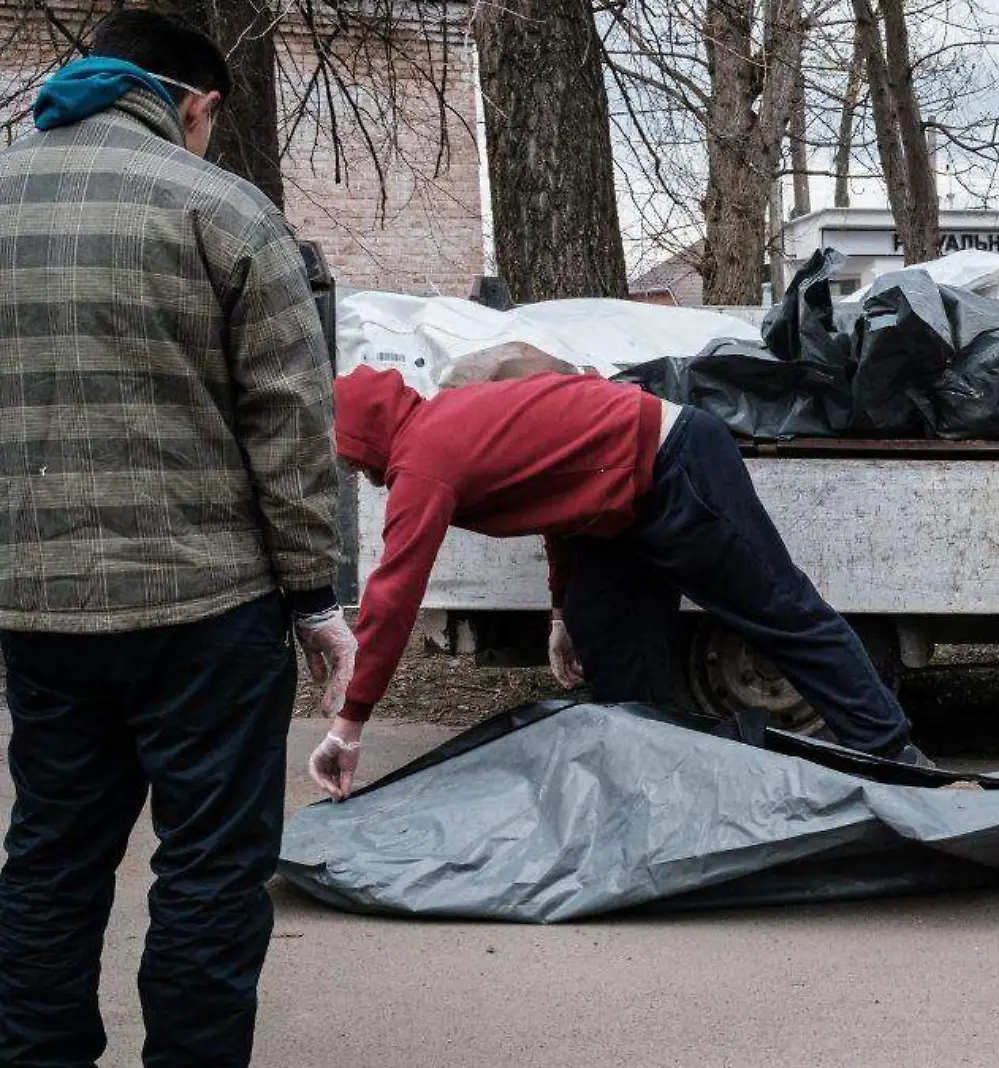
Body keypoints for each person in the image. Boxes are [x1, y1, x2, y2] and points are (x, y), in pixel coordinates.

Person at [0, 10, 356, 1068]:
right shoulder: (225, 209)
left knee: (53, 858)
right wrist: (317, 602)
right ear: (192, 103)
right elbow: (292, 424)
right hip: (208, 608)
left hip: (37, 606)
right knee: (208, 866)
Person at [314, 366, 928, 796]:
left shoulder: (425, 457)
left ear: (365, 431)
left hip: (676, 465)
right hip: (617, 510)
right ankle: (657, 794)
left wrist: (350, 723)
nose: (348, 467)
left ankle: (896, 757)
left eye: (344, 453)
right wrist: (561, 616)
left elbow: (394, 594)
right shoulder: (449, 426)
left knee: (778, 612)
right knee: (608, 638)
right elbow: (559, 498)